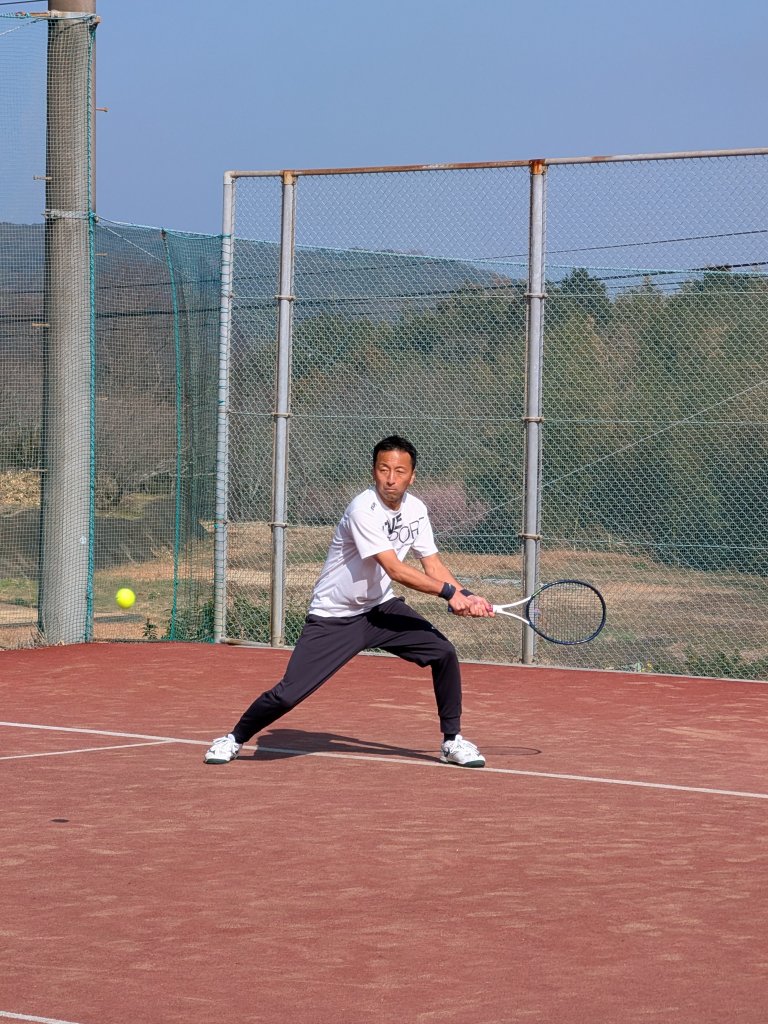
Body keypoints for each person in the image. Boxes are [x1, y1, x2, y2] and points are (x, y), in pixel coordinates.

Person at [204, 435, 495, 769]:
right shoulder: (362, 509)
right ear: (373, 471)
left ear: (412, 476)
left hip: (380, 609)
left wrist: (466, 595)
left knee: (443, 652)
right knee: (288, 694)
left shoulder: (417, 510)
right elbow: (396, 569)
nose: (390, 478)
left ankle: (452, 741)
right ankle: (234, 738)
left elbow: (433, 565)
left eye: (399, 471)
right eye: (383, 469)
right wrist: (448, 594)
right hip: (334, 617)